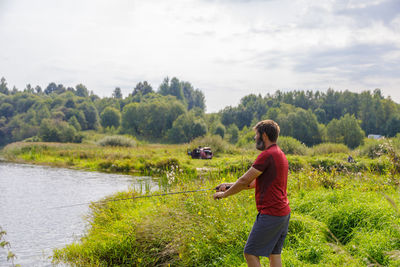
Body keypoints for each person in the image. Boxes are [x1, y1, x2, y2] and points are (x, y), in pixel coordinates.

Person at [213, 120, 290, 267]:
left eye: (256, 134)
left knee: (250, 252)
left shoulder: (267, 155)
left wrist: (224, 195)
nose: (255, 138)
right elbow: (254, 183)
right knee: (274, 254)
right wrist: (228, 186)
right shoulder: (280, 154)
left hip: (271, 213)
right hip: (283, 214)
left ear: (264, 135)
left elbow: (244, 180)